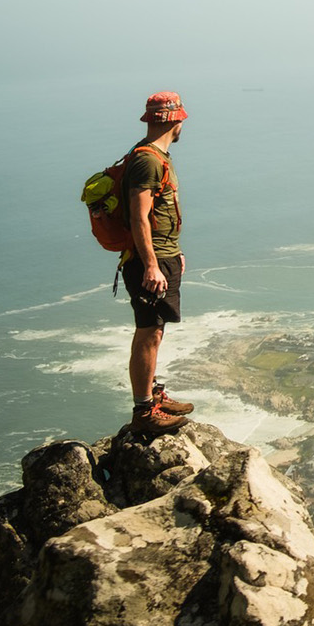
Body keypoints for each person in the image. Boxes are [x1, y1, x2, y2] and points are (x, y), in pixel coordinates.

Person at [122, 91, 195, 434]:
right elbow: (139, 217)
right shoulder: (147, 160)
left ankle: (152, 395)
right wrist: (151, 264)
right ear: (174, 120)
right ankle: (144, 411)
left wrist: (173, 250)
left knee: (156, 330)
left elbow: (160, 212)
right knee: (149, 332)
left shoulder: (155, 156)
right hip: (150, 260)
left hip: (164, 254)